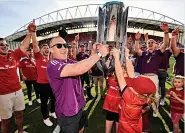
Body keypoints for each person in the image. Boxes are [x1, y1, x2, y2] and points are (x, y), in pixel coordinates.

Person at [47, 37, 108, 133]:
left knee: (81, 129)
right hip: (68, 113)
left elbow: (86, 66)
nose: (64, 48)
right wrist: (99, 54)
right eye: (59, 46)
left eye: (65, 45)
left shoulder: (68, 61)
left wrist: (93, 51)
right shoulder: (53, 64)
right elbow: (79, 68)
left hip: (79, 106)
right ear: (51, 50)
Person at [112, 48, 156, 133]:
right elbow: (131, 74)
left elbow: (120, 76)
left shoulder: (130, 98)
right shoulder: (141, 97)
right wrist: (127, 55)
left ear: (137, 91)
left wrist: (116, 58)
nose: (133, 77)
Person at [0, 23, 32, 133]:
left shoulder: (13, 54)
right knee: (6, 121)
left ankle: (20, 131)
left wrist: (29, 33)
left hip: (18, 91)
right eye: (1, 45)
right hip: (4, 95)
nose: (5, 46)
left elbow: (24, 46)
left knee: (19, 114)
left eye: (5, 44)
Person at [134, 23, 170, 117]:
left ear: (155, 45)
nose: (150, 43)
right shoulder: (144, 53)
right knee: (141, 94)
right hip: (143, 76)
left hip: (153, 77)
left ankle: (155, 109)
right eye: (148, 42)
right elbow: (137, 50)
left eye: (152, 42)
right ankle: (140, 109)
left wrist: (166, 31)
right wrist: (137, 40)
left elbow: (165, 43)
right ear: (146, 45)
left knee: (156, 96)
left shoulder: (158, 52)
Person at [31, 25, 56, 126]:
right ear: (41, 50)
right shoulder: (38, 58)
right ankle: (45, 118)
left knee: (54, 99)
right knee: (44, 102)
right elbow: (35, 45)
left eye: (47, 48)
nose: (46, 49)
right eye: (44, 48)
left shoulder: (51, 59)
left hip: (51, 84)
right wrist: (33, 33)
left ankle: (52, 112)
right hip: (42, 85)